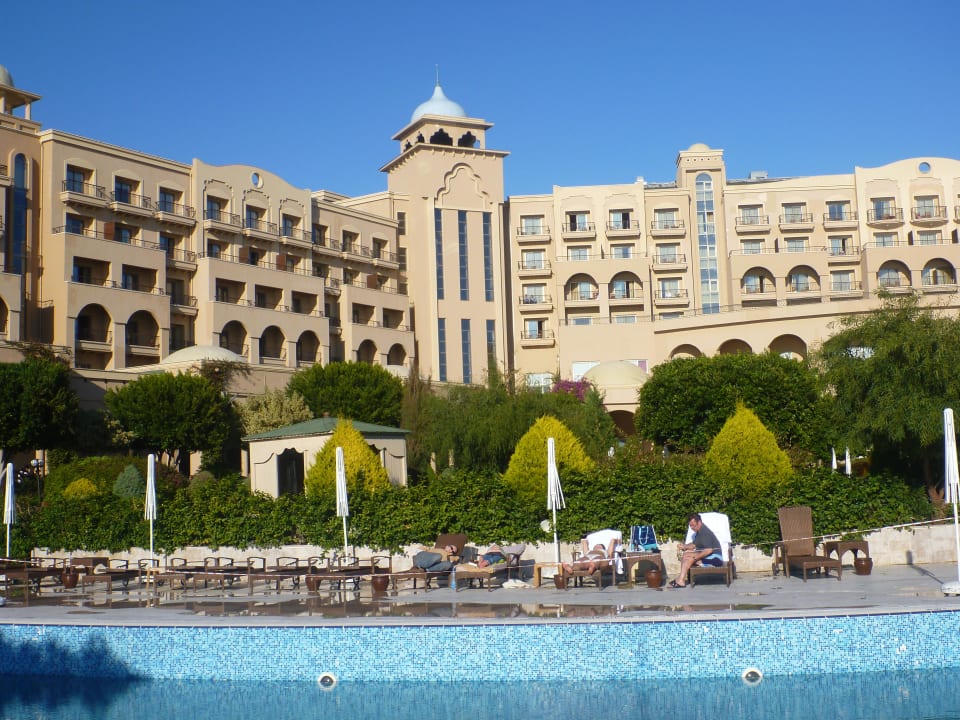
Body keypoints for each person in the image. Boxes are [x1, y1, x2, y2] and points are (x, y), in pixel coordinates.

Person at [669, 512, 722, 588]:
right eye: (690, 526)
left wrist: (695, 558)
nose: (692, 528)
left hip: (715, 558)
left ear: (699, 522)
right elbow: (694, 545)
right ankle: (681, 578)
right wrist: (684, 546)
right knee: (686, 554)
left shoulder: (705, 533)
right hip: (709, 555)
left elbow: (709, 550)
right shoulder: (699, 531)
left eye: (693, 525)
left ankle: (680, 580)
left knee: (689, 558)